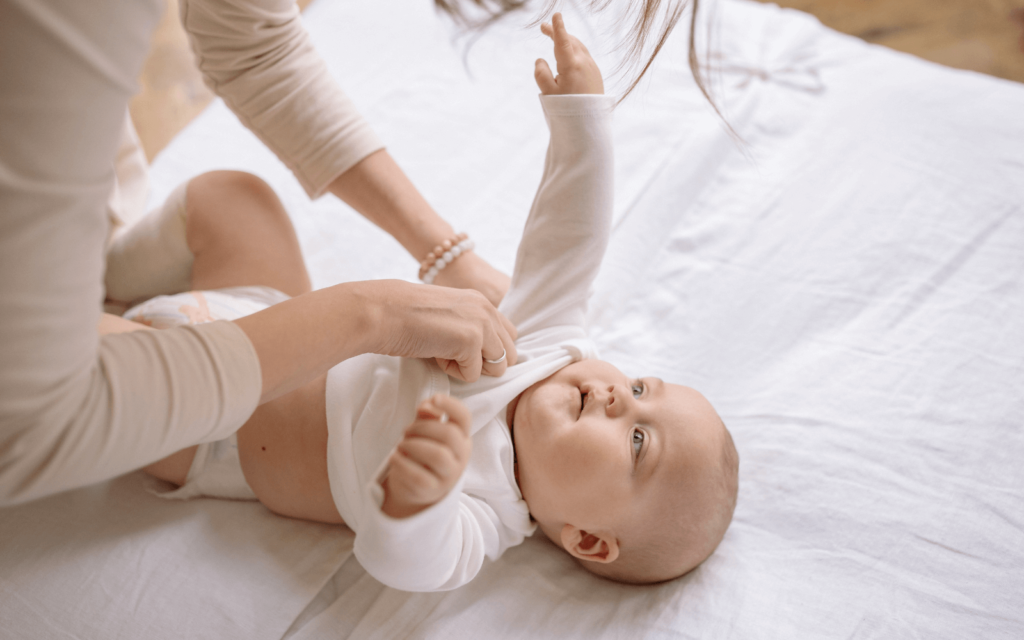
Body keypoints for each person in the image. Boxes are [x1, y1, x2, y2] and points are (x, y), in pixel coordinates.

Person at [133, 15, 739, 590]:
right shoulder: (548, 347)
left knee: (95, 375)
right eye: (638, 388)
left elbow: (405, 563)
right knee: (234, 197)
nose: (616, 398)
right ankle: (113, 261)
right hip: (265, 308)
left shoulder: (485, 513)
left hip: (212, 423)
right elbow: (571, 244)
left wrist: (417, 499)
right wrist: (582, 120)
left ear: (588, 540)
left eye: (638, 442)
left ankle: (86, 306)